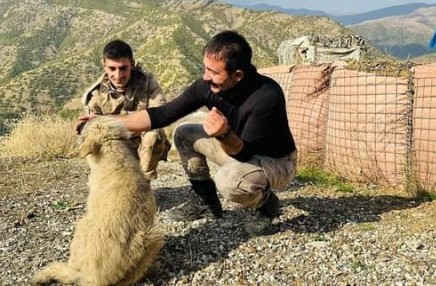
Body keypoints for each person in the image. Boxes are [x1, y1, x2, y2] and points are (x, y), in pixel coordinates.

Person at [76, 31, 297, 235]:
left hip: (274, 161)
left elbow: (243, 153)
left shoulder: (266, 96)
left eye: (213, 72)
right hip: (236, 147)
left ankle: (266, 203)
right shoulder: (208, 86)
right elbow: (162, 114)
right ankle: (207, 203)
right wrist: (104, 122)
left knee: (230, 182)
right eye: (205, 69)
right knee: (184, 133)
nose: (206, 77)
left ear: (237, 75)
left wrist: (222, 134)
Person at [81, 39, 170, 181]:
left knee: (154, 134)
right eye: (112, 69)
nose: (118, 76)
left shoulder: (147, 82)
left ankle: (144, 184)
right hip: (115, 147)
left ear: (132, 64)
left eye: (123, 68)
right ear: (104, 65)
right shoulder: (95, 95)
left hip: (142, 145)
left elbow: (160, 114)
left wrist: (114, 125)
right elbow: (93, 130)